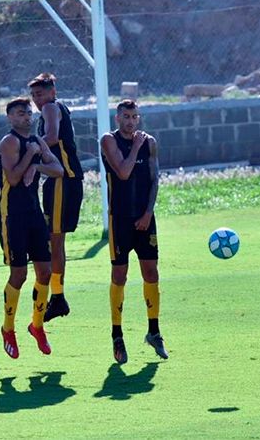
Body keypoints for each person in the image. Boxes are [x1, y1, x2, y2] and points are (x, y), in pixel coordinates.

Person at [100, 99, 167, 364]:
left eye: (134, 116)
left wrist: (148, 212)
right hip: (120, 220)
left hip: (144, 218)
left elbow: (154, 179)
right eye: (126, 117)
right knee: (120, 275)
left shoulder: (150, 142)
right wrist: (135, 146)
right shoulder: (109, 141)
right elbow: (124, 173)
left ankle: (154, 332)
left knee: (151, 272)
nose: (130, 121)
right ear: (117, 118)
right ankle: (117, 335)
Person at [0, 98, 64, 359]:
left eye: (28, 112)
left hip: (35, 214)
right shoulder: (9, 142)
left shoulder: (37, 141)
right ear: (10, 118)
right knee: (19, 274)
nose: (26, 117)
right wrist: (30, 156)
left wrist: (37, 164)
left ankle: (37, 326)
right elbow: (13, 178)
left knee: (45, 272)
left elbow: (58, 169)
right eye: (20, 113)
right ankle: (8, 328)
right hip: (13, 216)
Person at [28, 73, 85, 323]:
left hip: (64, 179)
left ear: (52, 92)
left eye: (40, 94)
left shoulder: (51, 108)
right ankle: (57, 295)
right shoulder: (52, 109)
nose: (37, 99)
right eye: (33, 95)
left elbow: (51, 137)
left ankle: (58, 297)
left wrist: (27, 147)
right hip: (60, 180)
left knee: (54, 239)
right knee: (55, 240)